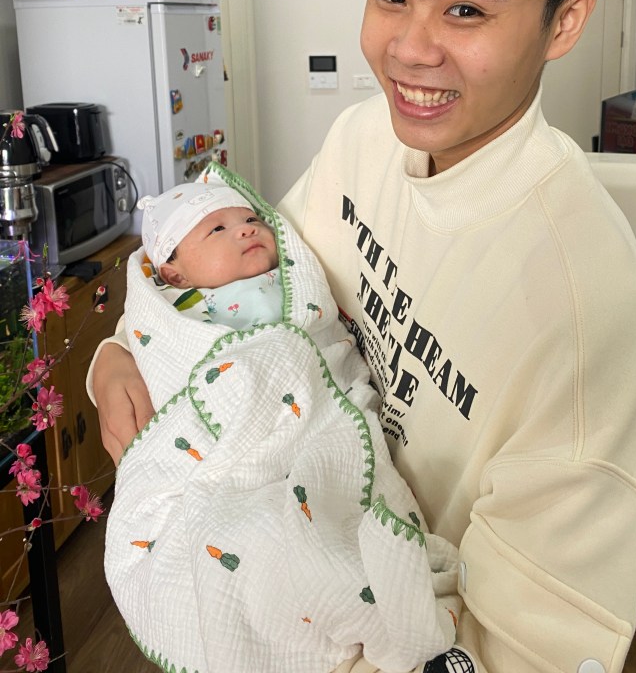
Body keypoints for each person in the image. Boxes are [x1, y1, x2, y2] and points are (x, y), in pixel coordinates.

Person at [91, 0, 636, 673]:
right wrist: (120, 350)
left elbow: (527, 649)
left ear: (567, 21)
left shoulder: (584, 299)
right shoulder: (364, 139)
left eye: (465, 10)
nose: (409, 48)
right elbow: (257, 280)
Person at [104, 171, 459, 673]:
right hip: (236, 437)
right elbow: (161, 355)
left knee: (329, 519)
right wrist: (111, 353)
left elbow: (324, 335)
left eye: (250, 219)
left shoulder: (292, 282)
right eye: (217, 230)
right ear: (175, 274)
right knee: (244, 536)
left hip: (315, 412)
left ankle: (382, 611)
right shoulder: (179, 313)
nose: (246, 229)